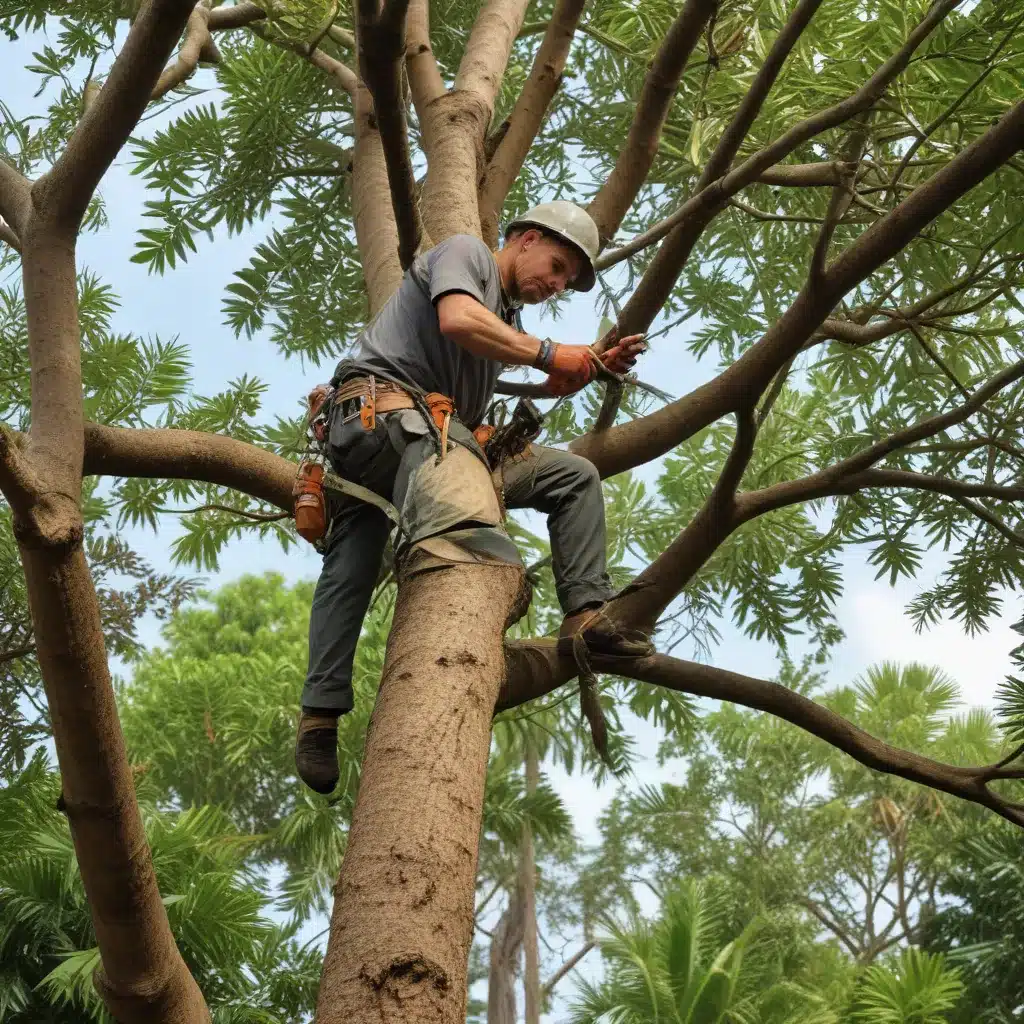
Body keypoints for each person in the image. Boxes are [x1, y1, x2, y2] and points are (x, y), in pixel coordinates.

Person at [296, 200, 654, 794]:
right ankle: (327, 703)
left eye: (565, 281)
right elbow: (459, 321)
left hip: (429, 443)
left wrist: (557, 377)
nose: (556, 285)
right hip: (386, 421)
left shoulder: (504, 311)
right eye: (557, 266)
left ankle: (585, 617)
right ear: (527, 238)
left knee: (573, 477)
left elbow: (483, 353)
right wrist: (547, 351)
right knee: (400, 542)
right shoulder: (465, 255)